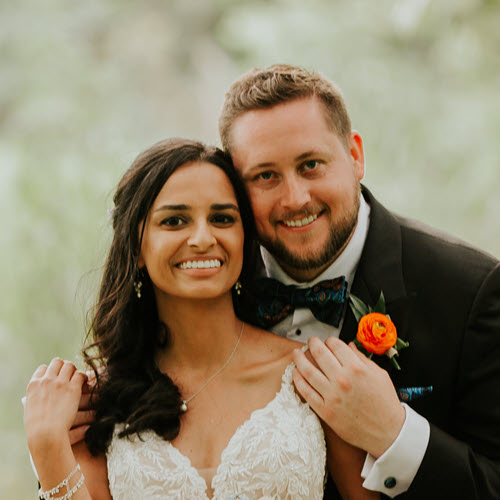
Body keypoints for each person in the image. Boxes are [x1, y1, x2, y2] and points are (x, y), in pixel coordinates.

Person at [24, 138, 379, 499]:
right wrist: (47, 446)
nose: (202, 238)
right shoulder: (101, 402)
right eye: (175, 221)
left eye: (222, 218)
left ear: (244, 238)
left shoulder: (312, 375)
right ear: (136, 247)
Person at [215, 64, 500, 499]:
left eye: (310, 165)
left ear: (355, 156)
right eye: (265, 176)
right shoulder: (211, 293)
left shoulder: (472, 291)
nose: (295, 199)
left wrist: (394, 434)